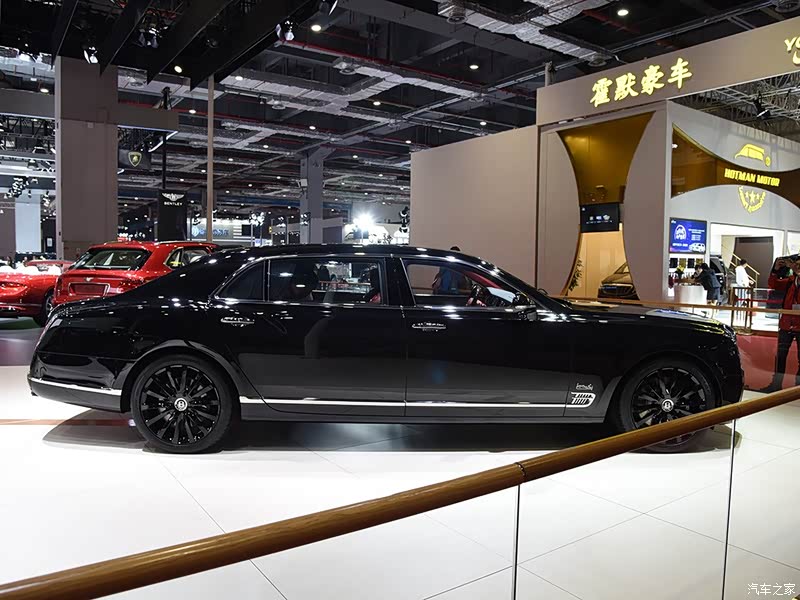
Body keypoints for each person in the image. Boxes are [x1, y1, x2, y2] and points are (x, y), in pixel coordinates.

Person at [760, 254, 800, 392]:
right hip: (786, 323)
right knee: (780, 356)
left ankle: (797, 388)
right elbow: (773, 284)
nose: (797, 267)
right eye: (795, 264)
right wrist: (776, 269)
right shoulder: (791, 281)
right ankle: (776, 385)